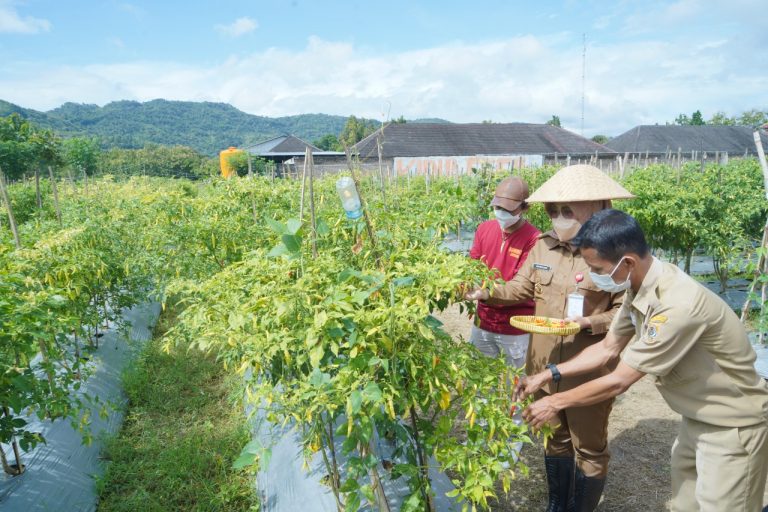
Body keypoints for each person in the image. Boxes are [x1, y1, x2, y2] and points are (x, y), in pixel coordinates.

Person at [519, 209, 768, 512]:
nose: (593, 275)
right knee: (683, 505)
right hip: (696, 417)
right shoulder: (637, 286)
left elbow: (619, 379)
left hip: (733, 425)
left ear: (627, 262)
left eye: (597, 268)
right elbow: (607, 348)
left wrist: (554, 402)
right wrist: (549, 374)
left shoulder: (676, 305)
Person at [466, 165, 634, 511]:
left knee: (588, 445)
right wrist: (486, 291)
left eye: (567, 210)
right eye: (553, 210)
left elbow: (625, 312)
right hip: (542, 363)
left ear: (598, 208)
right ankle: (557, 505)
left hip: (587, 368)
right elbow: (520, 288)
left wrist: (587, 322)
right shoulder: (543, 247)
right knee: (553, 436)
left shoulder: (616, 253)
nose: (558, 217)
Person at [469, 176, 540, 370]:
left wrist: (486, 292)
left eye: (508, 210)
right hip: (482, 321)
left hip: (514, 327)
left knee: (513, 383)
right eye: (497, 208)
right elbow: (472, 265)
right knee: (480, 380)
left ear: (525, 208)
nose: (501, 213)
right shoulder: (484, 228)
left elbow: (521, 286)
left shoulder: (534, 239)